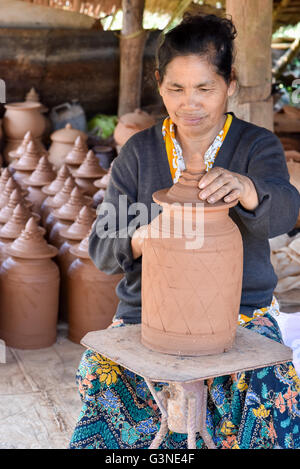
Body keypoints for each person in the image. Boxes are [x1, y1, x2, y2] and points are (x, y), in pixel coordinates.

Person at [69, 14, 300, 449]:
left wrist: (248, 188)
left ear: (229, 84)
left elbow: (285, 212)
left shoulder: (255, 146)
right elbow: (102, 247)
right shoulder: (138, 154)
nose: (189, 104)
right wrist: (149, 235)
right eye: (176, 88)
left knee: (269, 388)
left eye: (204, 89)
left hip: (241, 314)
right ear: (158, 83)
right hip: (146, 316)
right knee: (102, 376)